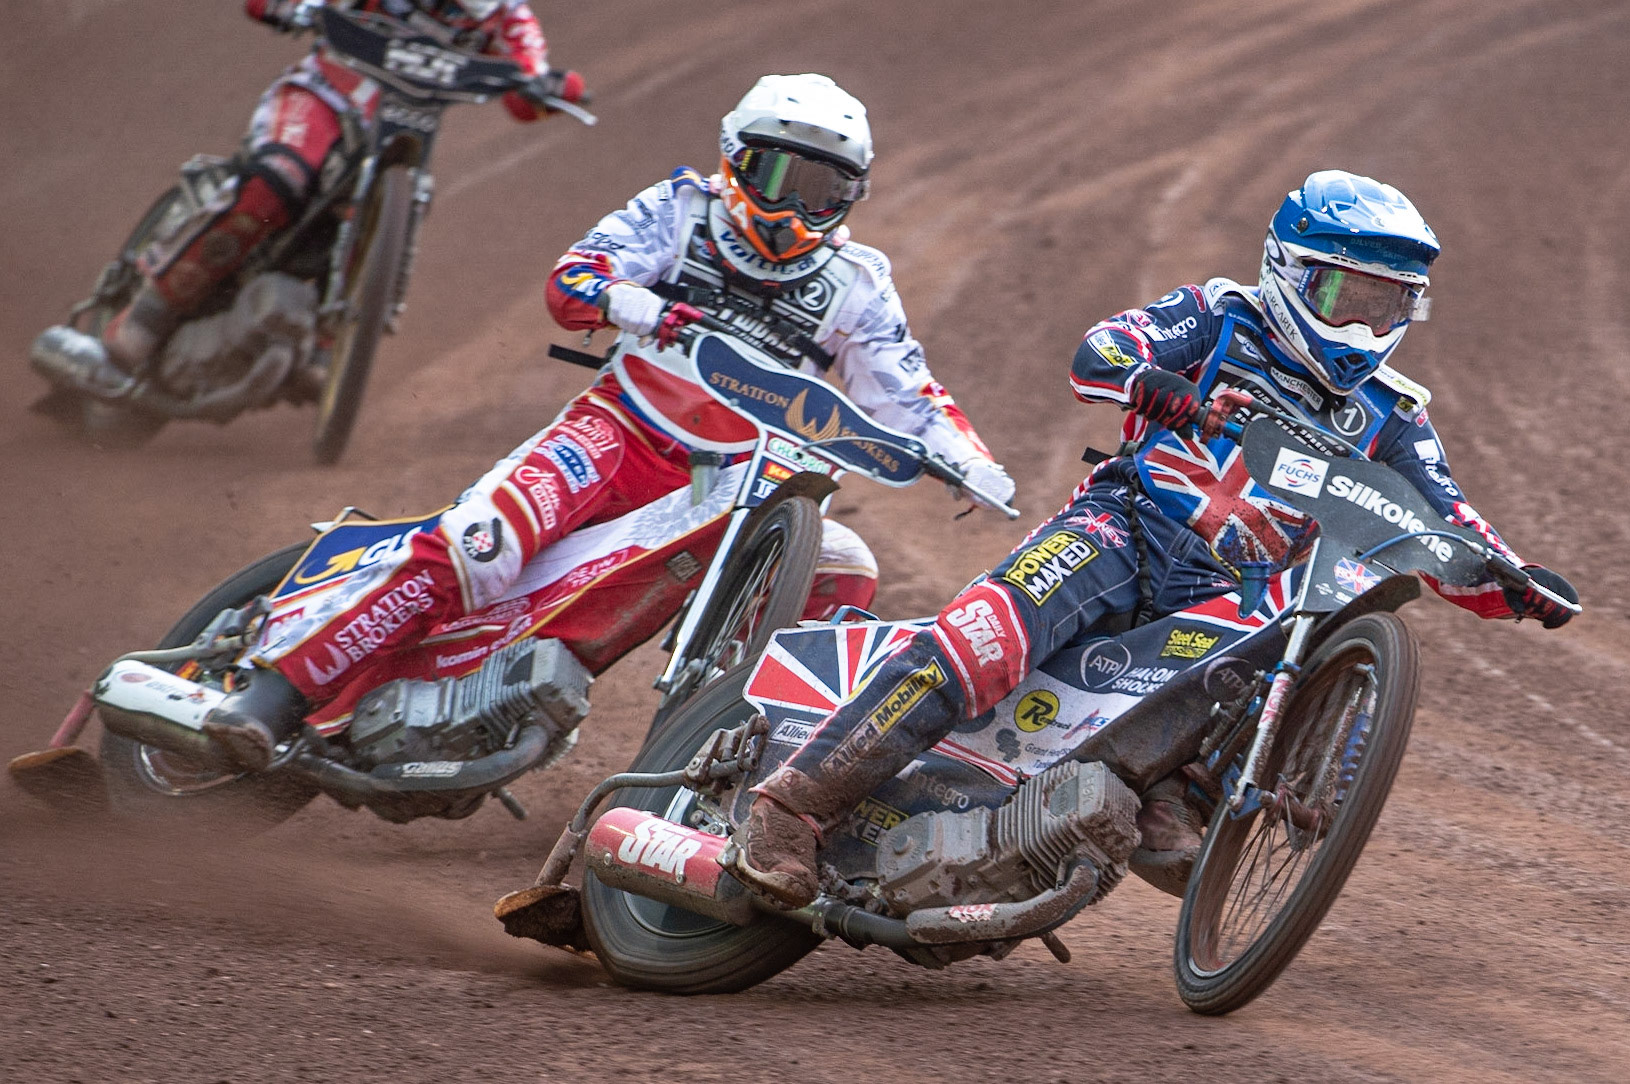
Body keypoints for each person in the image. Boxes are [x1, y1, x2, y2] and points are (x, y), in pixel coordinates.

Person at [733, 169, 1581, 908]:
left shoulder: (1394, 414)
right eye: (1346, 300)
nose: (1362, 328)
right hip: (1126, 530)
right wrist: (1159, 385)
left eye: (1387, 306)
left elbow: (1439, 517)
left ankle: (1169, 791)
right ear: (1292, 272)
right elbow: (1100, 350)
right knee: (981, 638)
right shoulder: (1220, 316)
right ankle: (792, 807)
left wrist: (1512, 580)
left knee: (1302, 625)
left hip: (1227, 599)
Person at [200, 72, 1015, 772]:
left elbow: (908, 391)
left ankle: (722, 777)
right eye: (775, 175)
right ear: (735, 161)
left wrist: (967, 458)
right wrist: (623, 297)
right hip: (618, 435)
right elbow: (573, 278)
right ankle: (274, 696)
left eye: (821, 189)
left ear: (850, 198)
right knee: (481, 543)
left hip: (742, 480)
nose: (793, 204)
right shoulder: (679, 209)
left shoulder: (858, 282)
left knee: (844, 570)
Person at [43, 0, 586, 380]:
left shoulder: (507, 14)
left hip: (401, 139)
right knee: (279, 182)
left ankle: (330, 344)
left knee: (412, 203)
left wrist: (549, 86)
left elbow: (526, 94)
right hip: (323, 98)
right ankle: (144, 316)